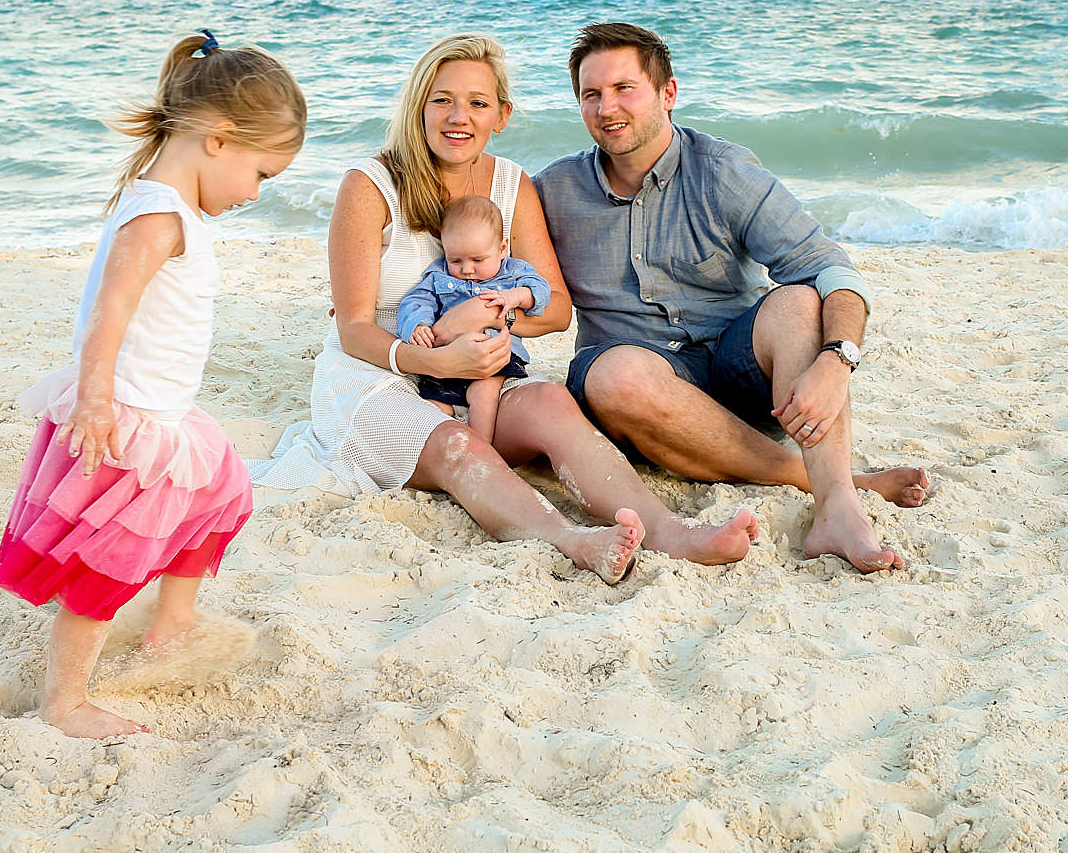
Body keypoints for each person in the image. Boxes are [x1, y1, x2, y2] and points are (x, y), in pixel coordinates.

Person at [255, 33, 759, 581]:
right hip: (381, 370)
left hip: (486, 364)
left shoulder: (512, 185)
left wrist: (493, 318)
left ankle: (668, 532)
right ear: (418, 105)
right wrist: (440, 360)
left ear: (502, 115)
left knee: (549, 401)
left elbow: (557, 309)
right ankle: (573, 541)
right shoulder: (370, 185)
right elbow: (353, 329)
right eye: (442, 99)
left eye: (477, 102)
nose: (458, 117)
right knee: (453, 443)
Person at [0, 30, 306, 738]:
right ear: (219, 140)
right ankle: (65, 703)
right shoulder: (158, 216)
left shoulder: (171, 206)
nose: (257, 194)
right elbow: (110, 312)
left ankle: (175, 621)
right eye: (263, 174)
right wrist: (98, 402)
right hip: (129, 418)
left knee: (226, 495)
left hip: (169, 414)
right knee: (106, 566)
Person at [535, 22, 930, 574]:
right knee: (615, 374)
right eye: (591, 94)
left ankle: (837, 508)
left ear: (668, 93)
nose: (607, 107)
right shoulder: (553, 190)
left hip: (742, 376)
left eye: (625, 88)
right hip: (639, 393)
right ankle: (834, 477)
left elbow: (829, 267)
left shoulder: (722, 170)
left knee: (796, 301)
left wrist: (838, 360)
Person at [396, 193, 552, 442]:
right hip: (448, 359)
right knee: (434, 403)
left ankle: (482, 446)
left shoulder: (513, 271)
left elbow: (542, 290)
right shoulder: (439, 276)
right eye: (455, 259)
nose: (466, 269)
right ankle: (449, 450)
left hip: (493, 357)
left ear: (502, 248)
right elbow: (415, 301)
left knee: (484, 393)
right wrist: (417, 325)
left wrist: (517, 296)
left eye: (478, 260)